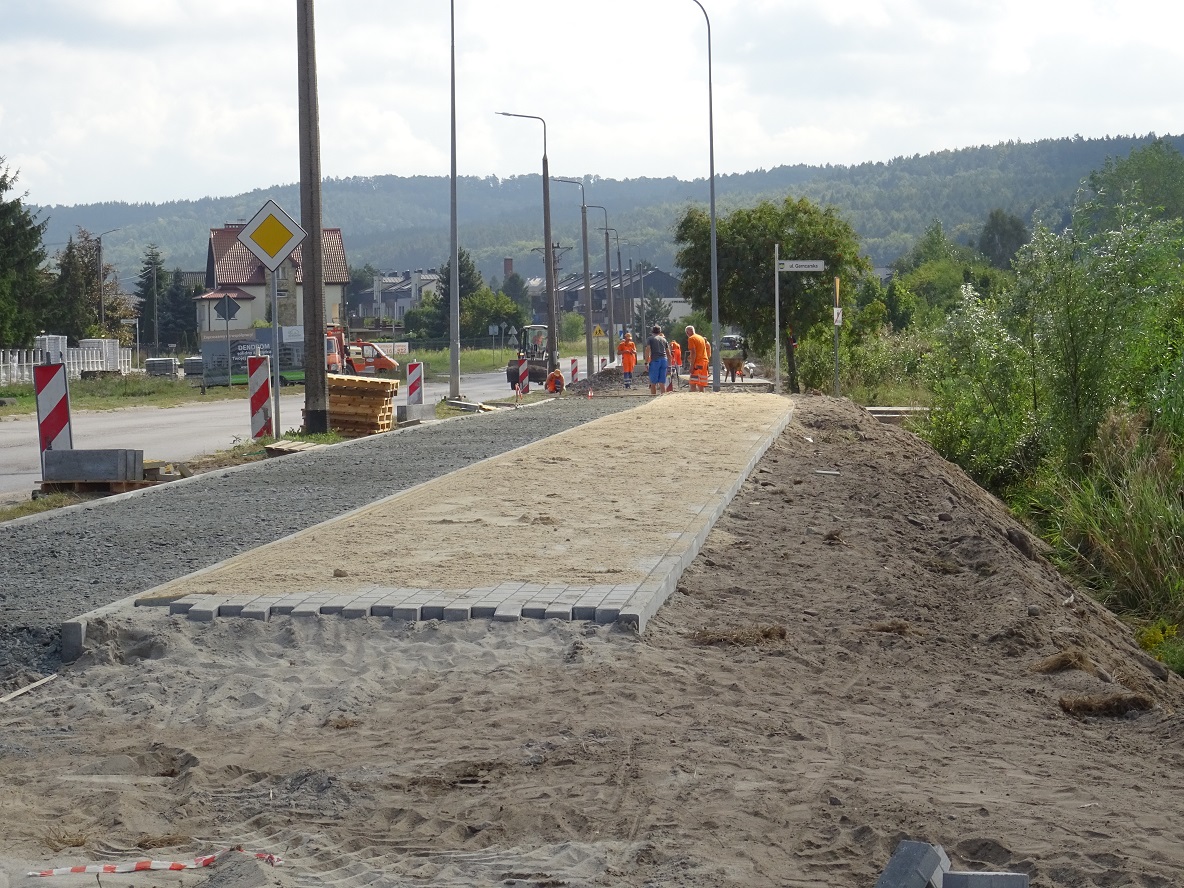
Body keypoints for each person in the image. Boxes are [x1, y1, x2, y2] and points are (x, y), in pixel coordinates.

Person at [644, 325, 669, 396]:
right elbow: (668, 352)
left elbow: (647, 350)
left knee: (653, 382)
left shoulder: (650, 339)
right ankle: (663, 397)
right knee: (662, 381)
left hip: (655, 360)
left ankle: (653, 397)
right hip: (664, 360)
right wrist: (669, 364)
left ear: (652, 331)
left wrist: (646, 362)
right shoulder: (664, 339)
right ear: (660, 331)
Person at [686, 324, 711, 392]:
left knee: (693, 382)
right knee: (701, 383)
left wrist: (691, 366)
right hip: (704, 362)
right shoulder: (701, 338)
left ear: (688, 332)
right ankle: (702, 397)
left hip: (697, 363)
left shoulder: (691, 339)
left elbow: (694, 352)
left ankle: (694, 397)